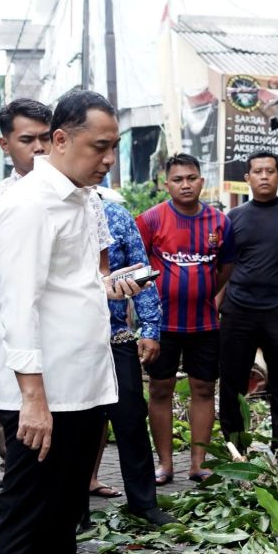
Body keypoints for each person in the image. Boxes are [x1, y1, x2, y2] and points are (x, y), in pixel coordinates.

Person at [0, 90, 142, 554]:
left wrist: (103, 286)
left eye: (113, 148)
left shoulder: (80, 199)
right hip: (43, 391)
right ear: (59, 139)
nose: (107, 159)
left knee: (63, 515)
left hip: (82, 384)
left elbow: (65, 284)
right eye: (98, 146)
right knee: (25, 518)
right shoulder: (28, 205)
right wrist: (31, 395)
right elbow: (14, 305)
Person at [0, 99, 108, 529]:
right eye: (28, 140)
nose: (38, 148)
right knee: (29, 478)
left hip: (70, 364)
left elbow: (86, 276)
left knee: (59, 500)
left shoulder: (83, 195)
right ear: (6, 145)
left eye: (44, 136)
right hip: (13, 346)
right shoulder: (6, 202)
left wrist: (111, 287)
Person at [137, 154, 234, 484]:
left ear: (201, 181)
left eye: (191, 178)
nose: (185, 184)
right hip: (162, 325)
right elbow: (139, 270)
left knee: (204, 389)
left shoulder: (220, 222)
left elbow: (225, 269)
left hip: (205, 324)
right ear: (167, 184)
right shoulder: (150, 220)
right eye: (178, 179)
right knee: (160, 390)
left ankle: (198, 464)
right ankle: (165, 465)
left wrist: (206, 295)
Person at [86, 189, 177, 526]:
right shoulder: (47, 211)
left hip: (116, 335)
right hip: (69, 340)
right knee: (76, 425)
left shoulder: (116, 215)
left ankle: (143, 504)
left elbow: (143, 270)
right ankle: (73, 511)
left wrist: (151, 327)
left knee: (130, 418)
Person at [218, 152, 278, 457]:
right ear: (247, 178)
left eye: (270, 171)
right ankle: (235, 447)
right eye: (257, 171)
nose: (263, 176)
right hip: (238, 311)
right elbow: (223, 267)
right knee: (232, 384)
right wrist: (217, 306)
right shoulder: (233, 218)